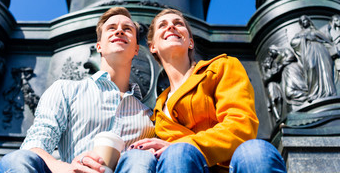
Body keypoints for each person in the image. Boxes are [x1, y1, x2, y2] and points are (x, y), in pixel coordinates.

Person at [115, 9, 287, 173]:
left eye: (178, 23)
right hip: (181, 165)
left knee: (255, 150)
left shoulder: (221, 67)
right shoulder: (157, 112)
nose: (171, 26)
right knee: (177, 155)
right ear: (153, 47)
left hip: (230, 165)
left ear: (190, 41)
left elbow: (240, 126)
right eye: (162, 25)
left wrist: (185, 145)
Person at [0, 7, 155, 173]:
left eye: (127, 29)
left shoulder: (148, 115)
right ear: (99, 46)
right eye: (111, 28)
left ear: (136, 49)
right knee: (15, 159)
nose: (119, 31)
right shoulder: (66, 90)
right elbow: (34, 145)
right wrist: (68, 169)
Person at [290, 15, 337, 102]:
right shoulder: (300, 34)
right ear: (301, 24)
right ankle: (314, 93)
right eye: (303, 21)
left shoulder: (315, 31)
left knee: (326, 70)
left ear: (309, 21)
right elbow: (293, 42)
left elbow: (326, 40)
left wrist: (315, 38)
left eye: (306, 20)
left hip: (322, 51)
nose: (305, 22)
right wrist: (305, 38)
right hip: (310, 52)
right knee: (311, 67)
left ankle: (329, 91)